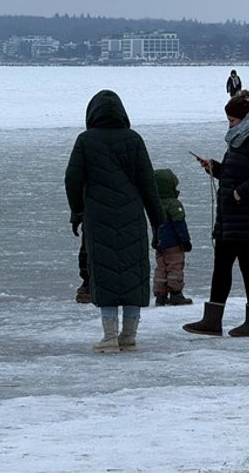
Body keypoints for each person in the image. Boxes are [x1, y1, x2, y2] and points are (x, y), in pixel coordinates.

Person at [65, 90, 163, 353]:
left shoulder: (85, 141)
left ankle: (109, 337)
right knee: (133, 274)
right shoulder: (134, 140)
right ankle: (129, 335)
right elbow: (148, 183)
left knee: (105, 274)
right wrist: (158, 222)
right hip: (132, 215)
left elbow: (72, 179)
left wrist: (77, 211)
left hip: (99, 217)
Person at [184, 89, 249, 338]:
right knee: (222, 266)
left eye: (232, 120)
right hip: (233, 216)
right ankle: (212, 320)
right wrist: (215, 168)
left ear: (245, 117)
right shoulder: (241, 137)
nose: (229, 124)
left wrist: (240, 193)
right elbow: (235, 171)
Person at [153, 168, 193, 306]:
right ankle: (176, 293)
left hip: (160, 244)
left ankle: (160, 295)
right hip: (174, 244)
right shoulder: (174, 204)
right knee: (175, 267)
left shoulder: (155, 205)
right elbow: (179, 224)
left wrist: (155, 241)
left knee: (161, 268)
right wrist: (185, 241)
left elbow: (155, 226)